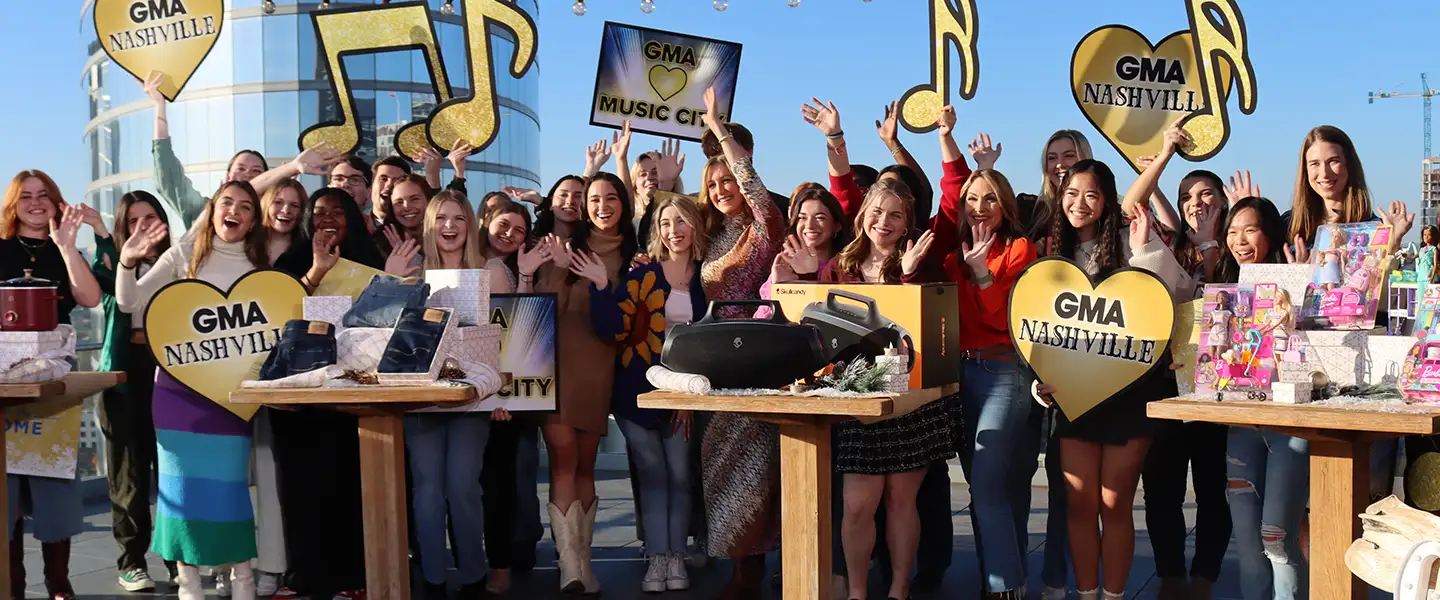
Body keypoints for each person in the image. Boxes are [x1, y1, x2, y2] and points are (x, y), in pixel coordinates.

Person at [1032, 160, 1192, 600]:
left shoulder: (1131, 240)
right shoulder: (1053, 255)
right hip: (1074, 396)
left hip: (1131, 391)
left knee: (1115, 502)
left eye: (1090, 194)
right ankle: (1086, 593)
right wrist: (1038, 383)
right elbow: (1037, 330)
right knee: (1080, 505)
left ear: (1106, 202)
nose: (1078, 203)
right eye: (1071, 193)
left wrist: (1144, 250)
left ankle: (1115, 595)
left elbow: (1177, 294)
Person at [787, 178, 950, 600]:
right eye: (877, 212)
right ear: (862, 217)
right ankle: (858, 592)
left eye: (895, 215)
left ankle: (898, 590)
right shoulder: (838, 266)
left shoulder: (925, 262)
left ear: (907, 223)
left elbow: (931, 322)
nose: (885, 222)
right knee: (858, 504)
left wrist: (910, 273)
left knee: (901, 501)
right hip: (856, 401)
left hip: (908, 401)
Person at [116, 181, 269, 600]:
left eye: (244, 206)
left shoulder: (263, 264)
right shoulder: (184, 253)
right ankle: (188, 582)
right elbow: (130, 302)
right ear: (212, 210)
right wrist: (127, 262)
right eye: (226, 203)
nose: (233, 211)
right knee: (179, 490)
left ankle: (242, 578)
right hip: (176, 396)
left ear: (254, 220)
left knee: (229, 489)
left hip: (230, 398)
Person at [905, 164, 1038, 599]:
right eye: (971, 200)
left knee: (984, 485)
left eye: (989, 199)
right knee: (989, 489)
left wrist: (982, 274)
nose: (979, 208)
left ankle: (1006, 587)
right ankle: (995, 580)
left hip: (1005, 371)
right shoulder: (951, 260)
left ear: (1005, 206)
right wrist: (910, 274)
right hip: (960, 376)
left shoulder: (1020, 250)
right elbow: (931, 316)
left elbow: (1002, 319)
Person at [267, 188, 397, 599]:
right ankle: (303, 576)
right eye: (317, 211)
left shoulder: (374, 261)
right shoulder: (288, 263)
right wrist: (317, 271)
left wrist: (392, 276)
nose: (326, 217)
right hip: (300, 396)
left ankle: (354, 578)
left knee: (350, 487)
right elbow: (275, 316)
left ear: (353, 218)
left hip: (354, 394)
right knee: (299, 487)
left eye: (336, 212)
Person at [522, 171, 638, 594]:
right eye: (594, 199)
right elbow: (534, 310)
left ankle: (584, 564)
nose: (601, 206)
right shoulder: (565, 249)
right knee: (563, 458)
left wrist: (606, 284)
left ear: (623, 204)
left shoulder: (635, 254)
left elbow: (621, 325)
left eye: (610, 197)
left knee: (586, 464)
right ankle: (568, 564)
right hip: (554, 365)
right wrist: (533, 271)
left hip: (597, 369)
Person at [585, 194, 708, 594]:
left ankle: (677, 553)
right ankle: (658, 556)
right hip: (637, 393)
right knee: (653, 474)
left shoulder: (709, 278)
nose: (675, 230)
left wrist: (687, 399)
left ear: (696, 226)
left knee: (680, 475)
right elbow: (614, 329)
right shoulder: (643, 275)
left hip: (687, 395)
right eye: (666, 223)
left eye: (682, 221)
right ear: (658, 230)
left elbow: (712, 342)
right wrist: (602, 286)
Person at [693, 87, 786, 599]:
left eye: (730, 179)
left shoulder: (765, 224)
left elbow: (752, 186)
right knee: (720, 467)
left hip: (758, 360)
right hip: (715, 365)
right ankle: (739, 569)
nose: (724, 187)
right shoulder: (711, 232)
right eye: (714, 182)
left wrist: (719, 128)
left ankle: (765, 568)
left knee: (760, 469)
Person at [1, 170, 103, 600]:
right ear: (13, 204)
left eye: (44, 195)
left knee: (54, 482)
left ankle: (58, 583)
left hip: (51, 380)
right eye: (26, 196)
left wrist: (65, 246)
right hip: (4, 382)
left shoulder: (65, 248)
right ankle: (13, 584)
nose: (36, 203)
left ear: (57, 201)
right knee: (6, 492)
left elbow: (90, 298)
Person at [410, 190, 512, 600]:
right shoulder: (411, 272)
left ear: (470, 225)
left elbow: (510, 335)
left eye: (458, 218)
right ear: (430, 225)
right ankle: (433, 578)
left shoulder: (491, 270)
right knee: (427, 490)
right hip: (419, 399)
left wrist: (506, 394)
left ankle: (472, 573)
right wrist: (389, 276)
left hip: (474, 398)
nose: (450, 226)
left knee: (463, 485)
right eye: (442, 218)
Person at [1212, 197, 1311, 600]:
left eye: (1250, 229)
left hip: (1288, 425)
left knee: (1277, 537)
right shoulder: (1223, 290)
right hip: (1241, 426)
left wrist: (1305, 281)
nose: (1240, 240)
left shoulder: (1297, 282)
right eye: (1233, 231)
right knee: (1248, 544)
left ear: (1269, 233)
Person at [90, 190, 174, 593]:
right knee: (129, 475)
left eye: (151, 217)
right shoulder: (112, 263)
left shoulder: (179, 262)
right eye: (133, 221)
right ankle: (132, 562)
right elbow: (107, 286)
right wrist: (105, 235)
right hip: (124, 374)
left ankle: (179, 559)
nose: (143, 226)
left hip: (169, 372)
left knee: (172, 471)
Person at [477, 200, 534, 595]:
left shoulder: (511, 270)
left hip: (499, 395)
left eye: (519, 229)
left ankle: (501, 565)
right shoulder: (468, 260)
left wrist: (504, 396)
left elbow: (518, 334)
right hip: (458, 390)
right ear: (484, 223)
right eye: (503, 225)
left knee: (500, 481)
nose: (509, 234)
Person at [141, 72, 268, 231]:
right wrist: (160, 107)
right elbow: (169, 177)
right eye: (241, 169)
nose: (248, 174)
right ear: (227, 178)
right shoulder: (203, 213)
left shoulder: (272, 223)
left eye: (256, 171)